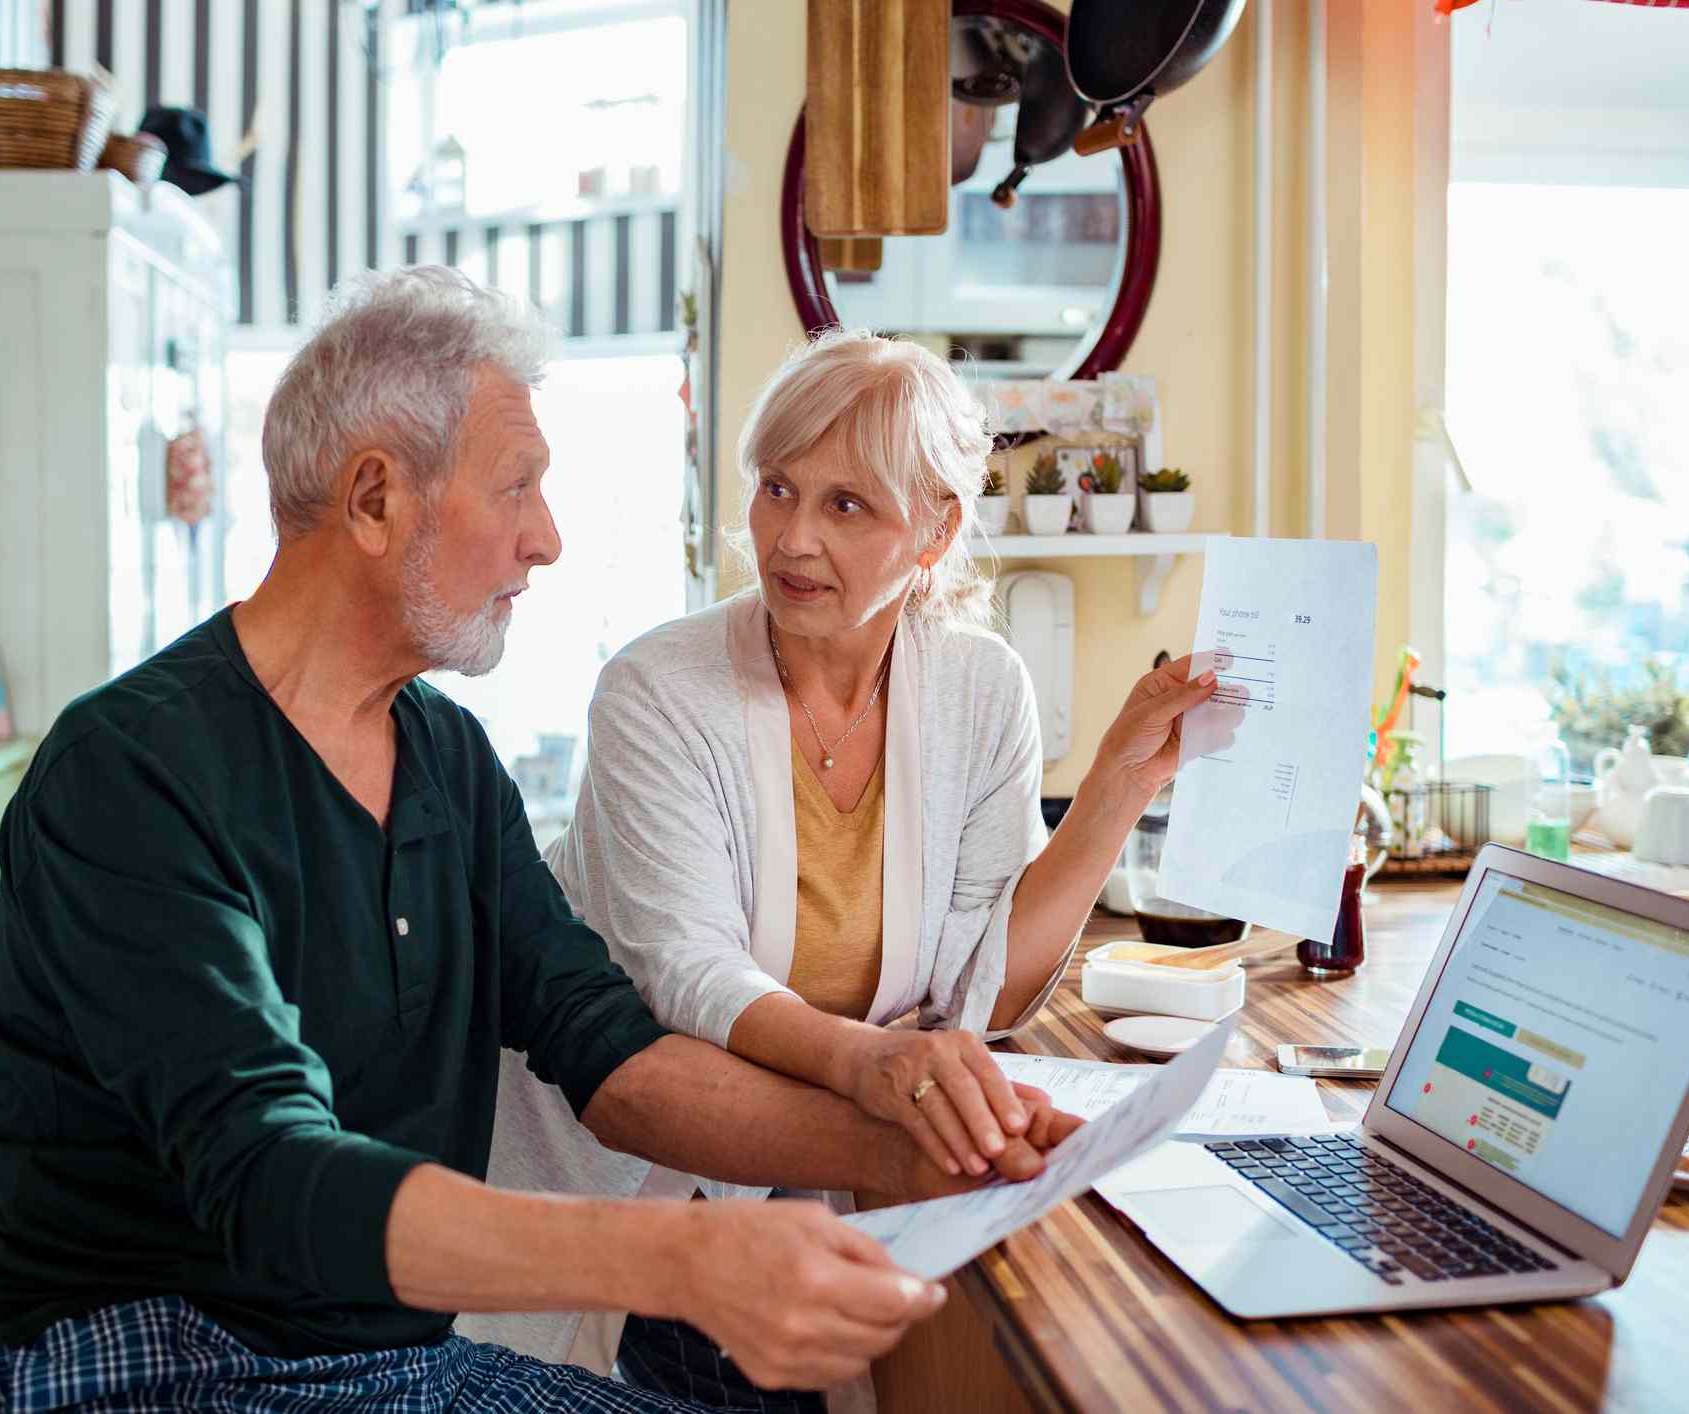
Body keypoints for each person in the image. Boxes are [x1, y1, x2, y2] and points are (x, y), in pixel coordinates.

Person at [0, 271, 1083, 1414]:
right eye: (517, 488)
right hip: (118, 1358)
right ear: (374, 500)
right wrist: (679, 1253)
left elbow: (611, 1053)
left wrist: (920, 1134)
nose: (547, 539)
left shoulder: (448, 763)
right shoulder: (136, 771)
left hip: (370, 1363)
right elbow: (268, 1177)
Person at [475, 329, 1238, 1410]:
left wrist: (1117, 783)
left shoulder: (980, 689)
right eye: (778, 487)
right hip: (649, 1180)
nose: (791, 537)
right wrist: (869, 1067)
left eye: (846, 505)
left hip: (821, 1179)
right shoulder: (656, 690)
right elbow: (690, 976)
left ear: (936, 529)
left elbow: (993, 983)